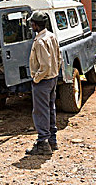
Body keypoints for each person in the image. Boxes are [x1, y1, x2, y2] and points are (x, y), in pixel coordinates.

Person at [26, 11, 62, 155]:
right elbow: (59, 58)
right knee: (50, 109)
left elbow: (45, 65)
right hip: (52, 79)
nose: (31, 25)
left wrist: (36, 78)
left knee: (41, 112)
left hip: (43, 81)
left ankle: (43, 143)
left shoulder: (40, 41)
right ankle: (52, 141)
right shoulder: (51, 36)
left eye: (32, 23)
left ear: (35, 24)